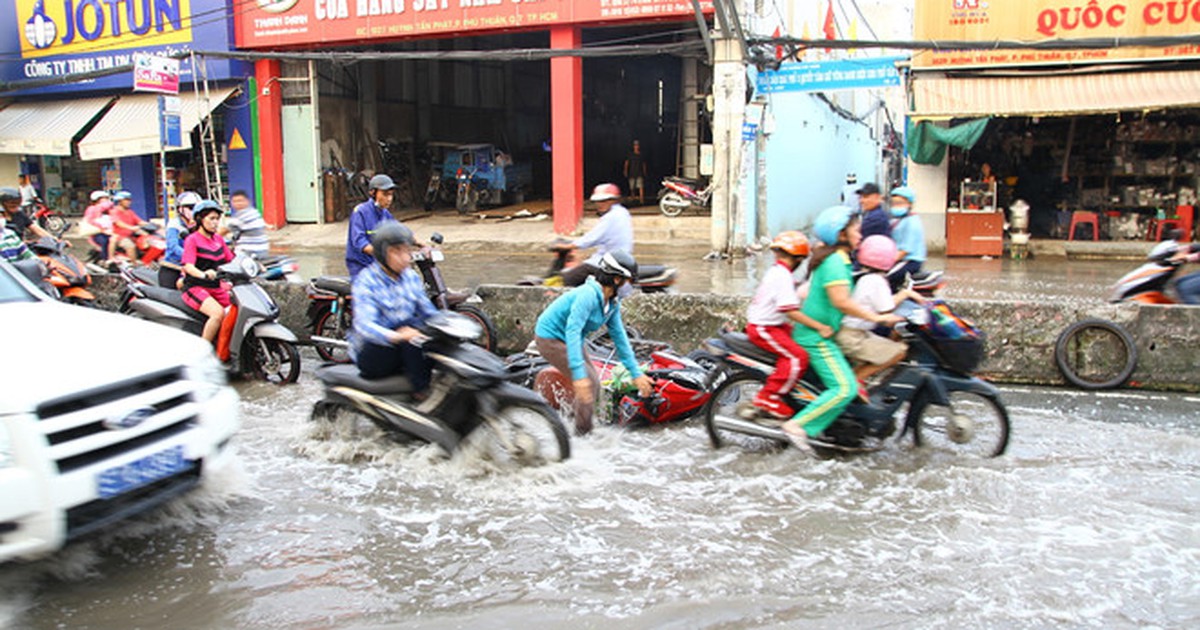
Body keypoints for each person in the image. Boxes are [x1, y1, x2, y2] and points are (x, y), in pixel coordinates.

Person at [782, 206, 902, 454]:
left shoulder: (840, 259)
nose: (860, 235)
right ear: (841, 234)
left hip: (823, 333)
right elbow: (842, 302)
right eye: (856, 230)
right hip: (816, 338)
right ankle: (797, 425)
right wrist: (877, 317)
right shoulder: (836, 262)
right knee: (845, 388)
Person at [534, 250, 653, 434]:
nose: (629, 287)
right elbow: (572, 331)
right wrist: (578, 375)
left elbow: (620, 337)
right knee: (586, 381)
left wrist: (635, 373)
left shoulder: (612, 303)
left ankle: (571, 424)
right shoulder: (588, 295)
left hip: (571, 339)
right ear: (616, 279)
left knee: (594, 383)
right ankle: (582, 436)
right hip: (550, 338)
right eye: (628, 281)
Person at [745, 231, 830, 419]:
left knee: (803, 338)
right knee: (797, 357)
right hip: (764, 328)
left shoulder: (779, 272)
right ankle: (768, 397)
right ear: (798, 259)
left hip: (774, 325)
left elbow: (798, 291)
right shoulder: (782, 276)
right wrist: (820, 326)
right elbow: (791, 311)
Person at [350, 222, 439, 392]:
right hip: (374, 351)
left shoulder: (411, 277)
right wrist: (398, 336)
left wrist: (449, 324)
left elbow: (427, 311)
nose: (405, 257)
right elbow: (364, 325)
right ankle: (421, 393)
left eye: (407, 251)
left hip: (402, 346)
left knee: (428, 334)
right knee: (411, 333)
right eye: (397, 251)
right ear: (383, 253)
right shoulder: (366, 281)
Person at [837, 235, 922, 383]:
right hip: (853, 337)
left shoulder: (865, 277)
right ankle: (853, 384)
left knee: (884, 348)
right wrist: (905, 294)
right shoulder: (877, 281)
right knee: (899, 352)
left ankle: (856, 381)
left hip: (853, 333)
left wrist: (905, 295)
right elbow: (887, 309)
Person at [180, 201, 235, 344]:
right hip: (196, 287)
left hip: (216, 287)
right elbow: (188, 266)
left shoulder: (218, 239)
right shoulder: (192, 240)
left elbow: (231, 260)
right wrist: (203, 274)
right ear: (200, 220)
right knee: (217, 314)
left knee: (238, 308)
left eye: (217, 219)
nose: (215, 222)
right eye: (211, 218)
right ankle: (204, 349)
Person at [562, 183, 634, 287]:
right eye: (598, 201)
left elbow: (592, 238)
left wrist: (569, 246)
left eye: (605, 201)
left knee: (569, 278)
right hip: (616, 259)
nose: (600, 204)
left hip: (607, 263)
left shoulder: (611, 217)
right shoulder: (622, 212)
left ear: (613, 200)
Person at [346, 174, 400, 280]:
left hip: (378, 264)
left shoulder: (385, 213)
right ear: (373, 193)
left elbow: (398, 232)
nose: (389, 199)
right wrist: (384, 254)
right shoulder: (360, 212)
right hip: (361, 266)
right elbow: (360, 242)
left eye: (391, 195)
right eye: (385, 194)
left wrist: (420, 244)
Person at [888, 186, 927, 289]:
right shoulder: (897, 219)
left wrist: (888, 262)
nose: (896, 206)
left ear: (909, 204)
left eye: (900, 203)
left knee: (886, 278)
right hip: (899, 259)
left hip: (910, 261)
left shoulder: (912, 222)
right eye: (893, 204)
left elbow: (905, 250)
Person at [160, 192, 201, 289]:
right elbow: (173, 246)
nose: (194, 211)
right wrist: (189, 256)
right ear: (180, 209)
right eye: (190, 207)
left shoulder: (199, 225)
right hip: (173, 267)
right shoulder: (174, 224)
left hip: (194, 268)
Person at [223, 190, 269, 258]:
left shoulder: (241, 216)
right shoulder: (254, 212)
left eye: (240, 201)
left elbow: (222, 231)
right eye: (235, 201)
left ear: (247, 201)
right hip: (262, 251)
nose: (238, 203)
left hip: (249, 252)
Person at [109, 191, 143, 262]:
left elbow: (139, 221)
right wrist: (131, 227)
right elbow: (118, 223)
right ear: (120, 201)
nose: (129, 202)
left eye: (129, 200)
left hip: (131, 235)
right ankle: (134, 264)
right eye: (126, 200)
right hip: (120, 237)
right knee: (130, 246)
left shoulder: (130, 212)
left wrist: (152, 225)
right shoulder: (114, 211)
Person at [82, 190, 115, 263]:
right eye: (104, 198)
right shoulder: (92, 209)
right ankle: (105, 259)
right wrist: (103, 229)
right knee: (106, 241)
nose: (106, 200)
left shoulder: (110, 209)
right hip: (98, 233)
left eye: (107, 198)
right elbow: (90, 221)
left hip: (112, 231)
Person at [623, 140, 648, 206]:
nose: (636, 146)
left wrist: (644, 172)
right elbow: (626, 163)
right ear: (633, 146)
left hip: (639, 173)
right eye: (635, 145)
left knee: (640, 186)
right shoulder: (630, 154)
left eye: (637, 145)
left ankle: (641, 200)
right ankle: (633, 198)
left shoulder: (641, 154)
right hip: (632, 173)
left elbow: (643, 164)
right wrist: (625, 171)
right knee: (632, 188)